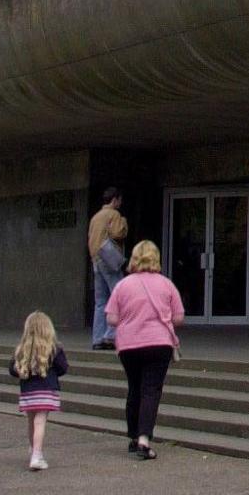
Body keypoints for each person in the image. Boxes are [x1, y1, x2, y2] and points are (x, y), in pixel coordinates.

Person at [104, 239, 184, 460]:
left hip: (129, 345)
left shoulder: (123, 285)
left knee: (134, 389)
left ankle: (132, 436)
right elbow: (178, 317)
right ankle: (144, 439)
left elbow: (111, 318)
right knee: (151, 390)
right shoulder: (166, 284)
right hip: (159, 344)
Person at [9, 311, 69, 472]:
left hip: (28, 391)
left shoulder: (22, 349)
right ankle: (37, 454)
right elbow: (63, 368)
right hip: (46, 390)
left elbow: (12, 370)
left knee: (31, 421)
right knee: (40, 422)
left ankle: (33, 448)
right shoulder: (54, 348)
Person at [87, 187, 126, 350]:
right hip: (109, 259)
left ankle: (97, 338)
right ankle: (110, 335)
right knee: (119, 295)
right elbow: (119, 233)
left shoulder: (95, 217)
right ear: (115, 199)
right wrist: (123, 222)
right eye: (120, 199)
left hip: (96, 259)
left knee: (100, 301)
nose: (121, 202)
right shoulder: (114, 215)